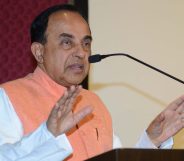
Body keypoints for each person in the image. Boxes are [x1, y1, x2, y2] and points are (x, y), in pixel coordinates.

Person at [0, 4, 184, 161]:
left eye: (86, 44)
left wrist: (151, 141)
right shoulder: (9, 97)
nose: (81, 53)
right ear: (39, 52)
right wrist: (47, 134)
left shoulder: (93, 103)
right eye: (67, 42)